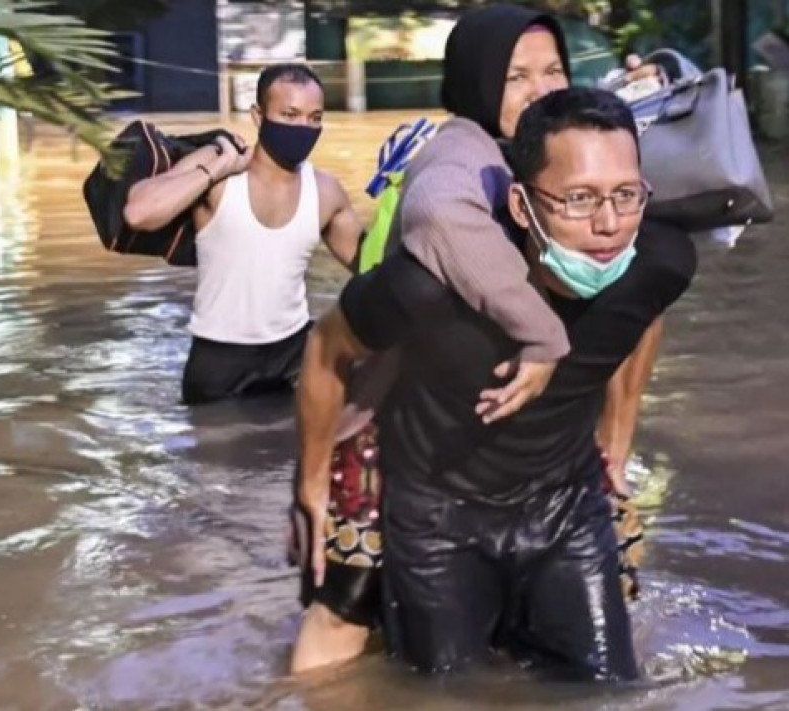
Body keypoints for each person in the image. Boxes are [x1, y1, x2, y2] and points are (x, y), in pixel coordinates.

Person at [289, 5, 662, 674]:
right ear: (474, 83)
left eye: (552, 70)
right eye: (516, 76)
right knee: (346, 601)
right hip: (395, 412)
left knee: (601, 598)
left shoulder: (571, 163)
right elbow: (431, 220)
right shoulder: (461, 152)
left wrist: (617, 439)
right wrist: (309, 478)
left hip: (530, 460)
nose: (541, 89)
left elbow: (640, 294)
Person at [122, 63, 363, 406]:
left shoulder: (325, 191)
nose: (304, 127)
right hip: (219, 361)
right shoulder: (217, 167)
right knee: (215, 456)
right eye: (290, 115)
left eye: (315, 118)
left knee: (289, 456)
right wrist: (220, 165)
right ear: (258, 115)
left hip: (293, 355)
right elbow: (138, 213)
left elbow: (372, 266)